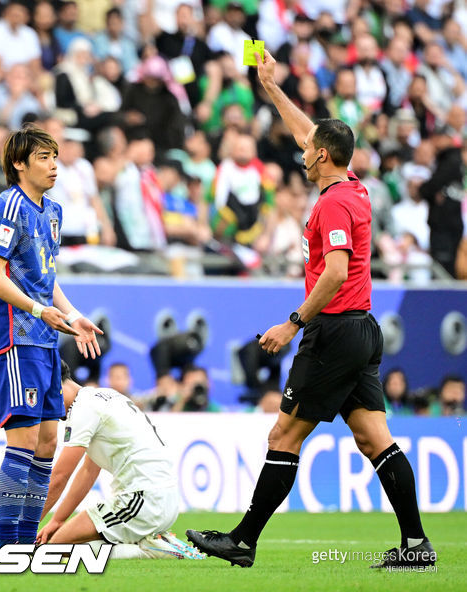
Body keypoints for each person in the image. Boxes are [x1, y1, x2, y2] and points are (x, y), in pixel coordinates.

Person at [186, 49, 435, 569]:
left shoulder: (333, 203)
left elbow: (337, 270)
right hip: (362, 329)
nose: (303, 149)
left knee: (283, 435)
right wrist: (273, 89)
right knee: (374, 438)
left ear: (321, 156)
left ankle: (243, 541)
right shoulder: (352, 184)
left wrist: (292, 322)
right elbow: (310, 132)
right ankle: (417, 547)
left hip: (335, 331)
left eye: (310, 148)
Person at [0, 124, 104, 548]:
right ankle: (7, 547)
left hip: (48, 339)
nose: (54, 165)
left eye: (55, 157)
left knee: (49, 442)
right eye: (43, 158)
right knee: (25, 440)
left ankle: (27, 543)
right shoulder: (9, 206)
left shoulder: (52, 211)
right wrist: (36, 310)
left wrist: (73, 315)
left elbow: (45, 278)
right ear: (19, 163)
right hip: (17, 338)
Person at [36, 360, 204, 560]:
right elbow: (88, 471)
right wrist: (57, 520)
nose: (46, 410)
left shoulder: (83, 409)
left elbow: (60, 476)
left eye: (44, 399)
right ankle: (151, 540)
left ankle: (153, 550)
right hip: (160, 499)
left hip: (142, 501)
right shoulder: (103, 397)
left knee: (53, 547)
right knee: (62, 540)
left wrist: (27, 527)